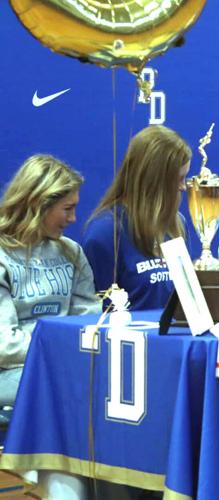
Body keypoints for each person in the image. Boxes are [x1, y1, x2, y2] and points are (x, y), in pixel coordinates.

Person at [0, 154, 100, 408]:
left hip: (63, 363)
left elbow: (89, 323)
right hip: (12, 373)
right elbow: (5, 345)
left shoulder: (72, 252)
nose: (73, 219)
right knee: (68, 385)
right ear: (38, 205)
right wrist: (60, 345)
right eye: (67, 209)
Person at [83, 125, 192, 309]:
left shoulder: (176, 223)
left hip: (175, 336)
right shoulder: (105, 233)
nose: (183, 187)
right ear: (155, 180)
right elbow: (98, 314)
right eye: (178, 178)